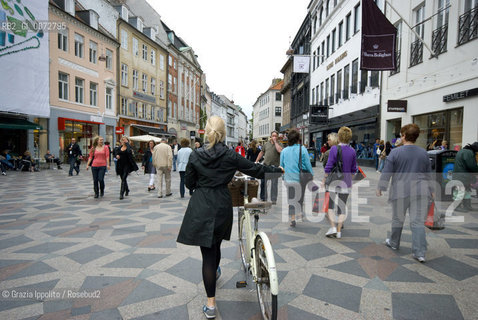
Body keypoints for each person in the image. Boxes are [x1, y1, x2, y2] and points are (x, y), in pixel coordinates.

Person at [176, 116, 283, 319]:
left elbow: (189, 183)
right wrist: (277, 170)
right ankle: (215, 271)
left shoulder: (196, 155)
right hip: (222, 204)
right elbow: (256, 169)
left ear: (206, 131)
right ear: (224, 133)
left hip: (202, 204)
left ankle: (210, 305)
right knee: (215, 244)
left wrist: (201, 183)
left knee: (207, 253)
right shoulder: (229, 155)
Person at [377, 124, 434, 263]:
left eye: (401, 135)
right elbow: (429, 174)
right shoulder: (423, 153)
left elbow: (387, 172)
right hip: (421, 191)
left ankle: (394, 243)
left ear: (403, 136)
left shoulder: (395, 153)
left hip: (400, 191)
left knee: (398, 219)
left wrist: (381, 187)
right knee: (417, 222)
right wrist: (432, 191)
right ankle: (419, 252)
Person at [323, 127, 357, 239]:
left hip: (333, 181)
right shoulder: (352, 151)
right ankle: (339, 231)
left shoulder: (334, 149)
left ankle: (333, 227)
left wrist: (324, 180)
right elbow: (353, 170)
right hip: (346, 182)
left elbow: (328, 166)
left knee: (330, 206)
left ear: (339, 136)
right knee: (342, 207)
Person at [280, 129, 314, 227]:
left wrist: (283, 176)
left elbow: (281, 166)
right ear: (298, 139)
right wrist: (311, 174)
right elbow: (308, 164)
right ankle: (299, 212)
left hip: (288, 178)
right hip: (300, 178)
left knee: (291, 198)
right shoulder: (302, 149)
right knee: (300, 197)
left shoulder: (284, 151)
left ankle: (293, 219)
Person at [255, 131, 283, 204]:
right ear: (270, 136)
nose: (274, 137)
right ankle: (263, 197)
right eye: (273, 136)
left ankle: (273, 199)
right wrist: (257, 160)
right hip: (266, 165)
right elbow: (262, 152)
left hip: (275, 167)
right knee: (263, 182)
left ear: (277, 137)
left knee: (274, 184)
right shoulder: (266, 144)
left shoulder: (280, 144)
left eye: (275, 136)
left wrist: (275, 142)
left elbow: (280, 151)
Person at [453, 142, 478, 212]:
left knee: (466, 191)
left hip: (459, 175)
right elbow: (471, 165)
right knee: (462, 191)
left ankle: (467, 206)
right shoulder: (469, 153)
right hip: (463, 175)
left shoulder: (463, 151)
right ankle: (458, 206)